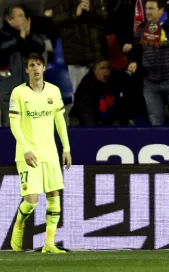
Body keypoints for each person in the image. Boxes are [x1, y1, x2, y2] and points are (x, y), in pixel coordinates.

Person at [8, 53, 72, 253]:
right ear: (26, 70)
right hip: (28, 154)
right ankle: (19, 224)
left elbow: (60, 121)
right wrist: (26, 149)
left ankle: (49, 244)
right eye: (31, 65)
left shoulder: (53, 91)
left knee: (54, 195)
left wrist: (66, 148)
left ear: (44, 68)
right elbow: (14, 124)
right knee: (32, 200)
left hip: (50, 152)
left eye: (38, 65)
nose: (35, 68)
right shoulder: (18, 93)